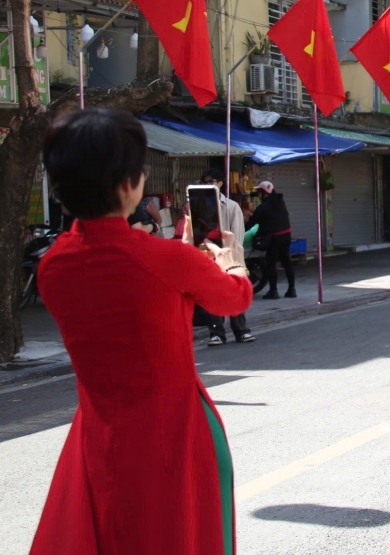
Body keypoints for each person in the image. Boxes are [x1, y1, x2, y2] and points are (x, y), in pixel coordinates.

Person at [30, 109, 252, 555]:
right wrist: (230, 262)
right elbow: (234, 299)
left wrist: (175, 256)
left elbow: (116, 273)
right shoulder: (166, 260)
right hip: (174, 432)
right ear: (127, 184)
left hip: (98, 432)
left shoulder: (52, 267)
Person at [202, 168, 255, 345]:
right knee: (212, 295)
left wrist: (235, 259)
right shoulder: (200, 206)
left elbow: (238, 235)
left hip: (230, 256)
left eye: (211, 181)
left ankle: (241, 330)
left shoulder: (232, 206)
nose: (208, 185)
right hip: (209, 257)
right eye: (205, 182)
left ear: (219, 183)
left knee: (234, 292)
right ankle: (216, 333)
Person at [245, 181, 296, 299]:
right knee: (286, 261)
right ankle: (291, 289)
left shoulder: (263, 207)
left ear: (264, 193)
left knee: (271, 264)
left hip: (274, 238)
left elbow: (251, 223)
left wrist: (238, 231)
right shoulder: (280, 202)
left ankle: (273, 291)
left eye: (258, 192)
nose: (258, 195)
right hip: (286, 236)